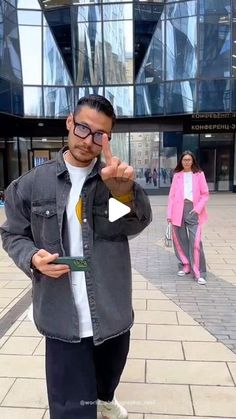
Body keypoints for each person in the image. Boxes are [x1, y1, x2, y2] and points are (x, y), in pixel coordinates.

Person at [0, 94, 152, 419]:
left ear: (108, 138)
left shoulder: (111, 181)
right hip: (61, 316)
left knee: (106, 382)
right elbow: (12, 234)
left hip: (111, 312)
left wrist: (122, 192)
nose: (89, 141)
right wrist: (31, 258)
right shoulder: (30, 185)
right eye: (83, 128)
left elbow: (132, 226)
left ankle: (105, 399)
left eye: (100, 135)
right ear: (70, 123)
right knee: (71, 410)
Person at [167, 150, 209, 285]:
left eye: (189, 160)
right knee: (180, 240)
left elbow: (205, 194)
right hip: (178, 210)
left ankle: (199, 272)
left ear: (193, 161)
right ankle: (185, 265)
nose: (186, 162)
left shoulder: (199, 174)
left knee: (196, 242)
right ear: (181, 161)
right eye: (184, 160)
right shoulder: (177, 175)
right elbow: (172, 196)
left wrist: (197, 209)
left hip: (193, 210)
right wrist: (169, 214)